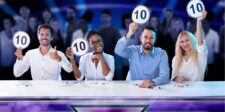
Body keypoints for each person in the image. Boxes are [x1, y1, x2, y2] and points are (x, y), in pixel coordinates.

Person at [115, 22, 170, 88]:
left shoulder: (162, 53)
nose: (148, 40)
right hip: (132, 88)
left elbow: (165, 76)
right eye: (145, 37)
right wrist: (129, 34)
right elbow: (118, 50)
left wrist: (152, 83)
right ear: (141, 38)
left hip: (152, 88)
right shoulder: (133, 50)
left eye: (151, 38)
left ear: (155, 40)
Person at [171, 11, 208, 83]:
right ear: (179, 44)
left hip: (197, 92)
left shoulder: (200, 55)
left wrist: (199, 22)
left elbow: (200, 43)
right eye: (182, 42)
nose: (185, 43)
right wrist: (176, 78)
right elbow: (173, 78)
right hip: (181, 92)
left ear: (192, 40)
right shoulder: (176, 59)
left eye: (187, 40)